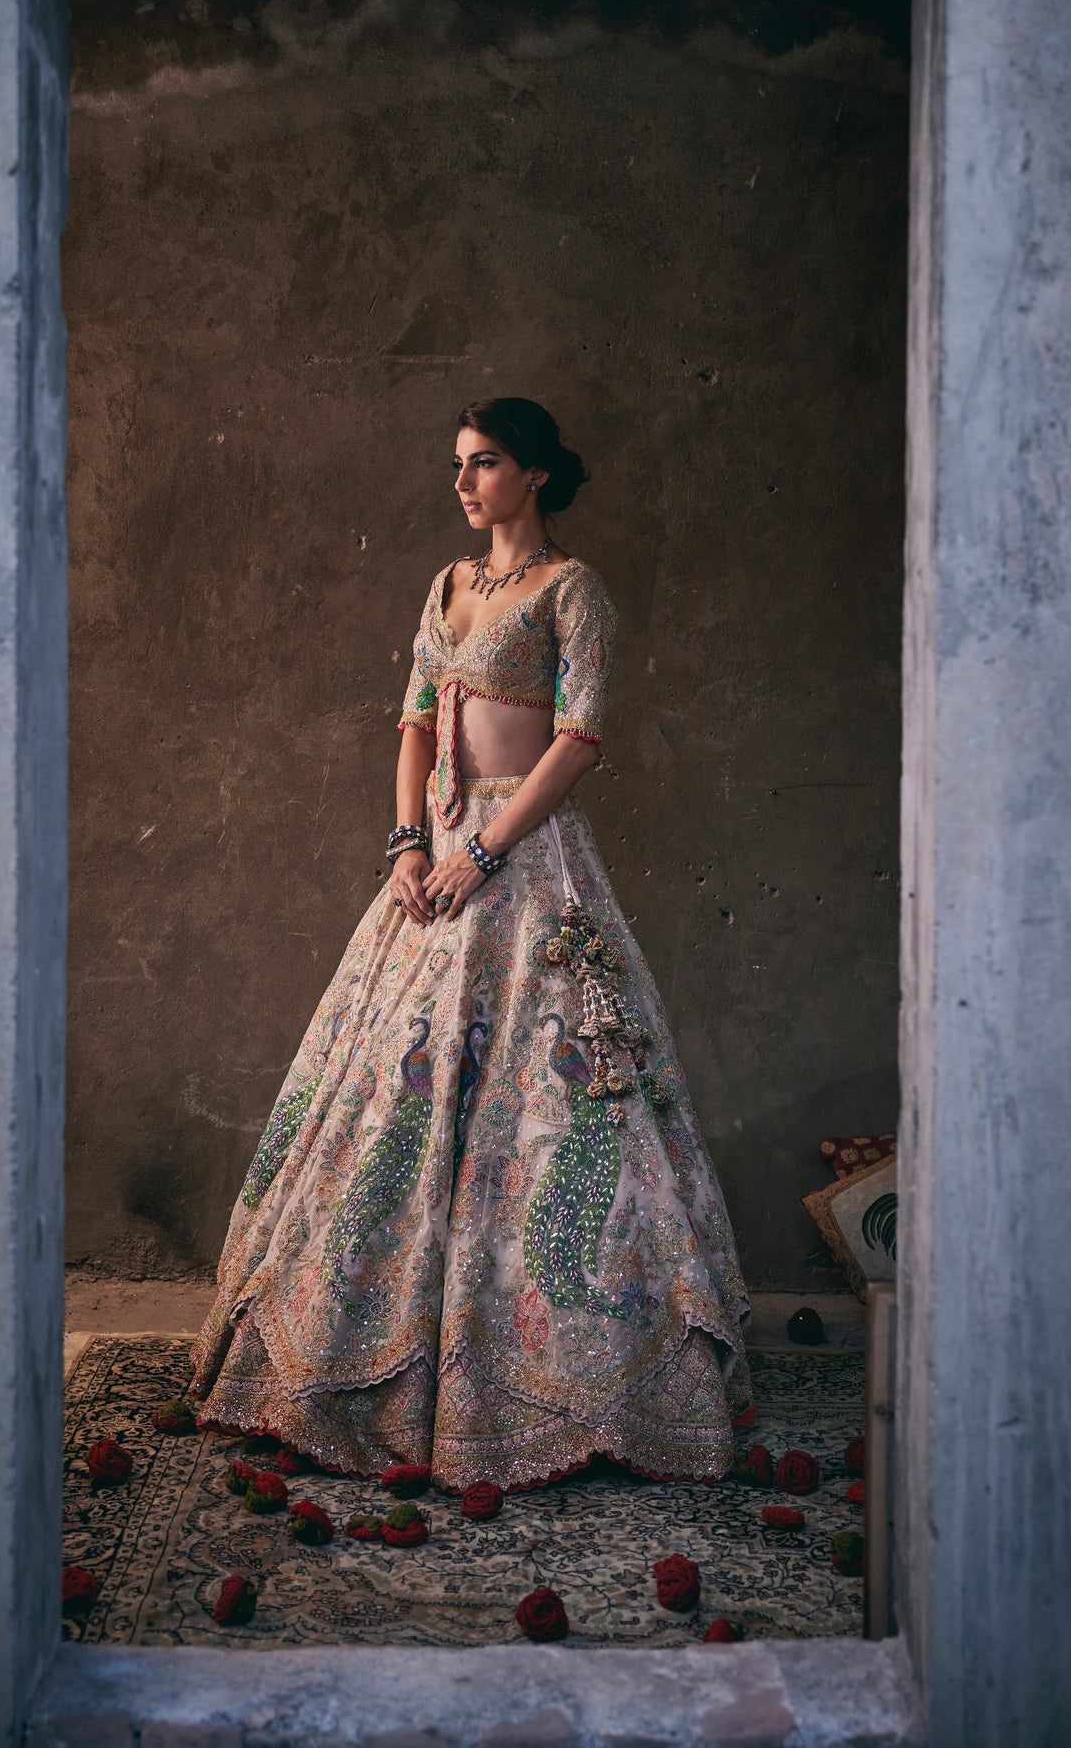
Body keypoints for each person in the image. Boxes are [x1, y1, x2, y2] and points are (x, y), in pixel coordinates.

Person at [189, 397, 752, 1488]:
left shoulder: (570, 590)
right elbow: (411, 716)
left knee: (547, 1109)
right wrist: (406, 845)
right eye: (457, 463)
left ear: (533, 474)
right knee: (385, 1088)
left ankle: (567, 1369)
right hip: (433, 853)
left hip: (522, 856)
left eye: (483, 463)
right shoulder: (447, 585)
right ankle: (356, 1358)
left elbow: (579, 735)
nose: (463, 482)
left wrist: (483, 851)